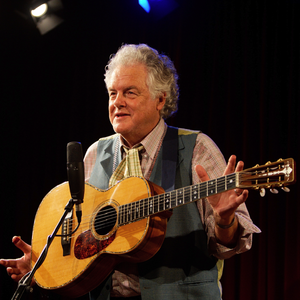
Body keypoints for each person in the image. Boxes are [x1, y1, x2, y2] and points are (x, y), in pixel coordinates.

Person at [0, 44, 260, 300]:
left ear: (161, 99)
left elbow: (231, 245)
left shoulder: (195, 148)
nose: (117, 103)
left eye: (130, 92)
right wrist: (44, 266)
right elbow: (80, 232)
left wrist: (224, 220)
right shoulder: (95, 154)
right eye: (112, 93)